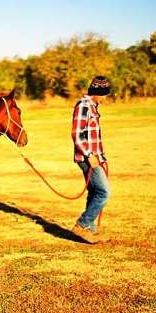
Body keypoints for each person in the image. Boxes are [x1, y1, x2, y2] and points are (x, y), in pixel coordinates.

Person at [70, 76, 111, 244]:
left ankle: (91, 230)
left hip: (94, 158)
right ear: (96, 93)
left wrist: (101, 157)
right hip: (87, 158)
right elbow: (77, 135)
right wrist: (89, 155)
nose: (105, 98)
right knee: (103, 193)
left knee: (95, 192)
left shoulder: (92, 107)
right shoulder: (83, 107)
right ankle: (81, 225)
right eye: (104, 95)